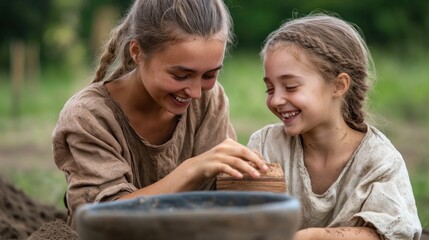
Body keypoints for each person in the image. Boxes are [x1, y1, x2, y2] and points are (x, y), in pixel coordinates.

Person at [52, 0, 268, 229]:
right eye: (180, 75)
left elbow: (224, 197)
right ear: (136, 52)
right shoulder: (88, 117)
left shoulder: (208, 100)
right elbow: (105, 219)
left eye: (209, 75)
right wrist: (192, 170)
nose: (195, 92)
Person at [247, 13, 422, 240]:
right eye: (270, 89)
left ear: (339, 85)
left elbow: (395, 232)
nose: (276, 100)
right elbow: (246, 218)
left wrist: (314, 237)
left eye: (290, 87)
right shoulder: (266, 146)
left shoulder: (380, 161)